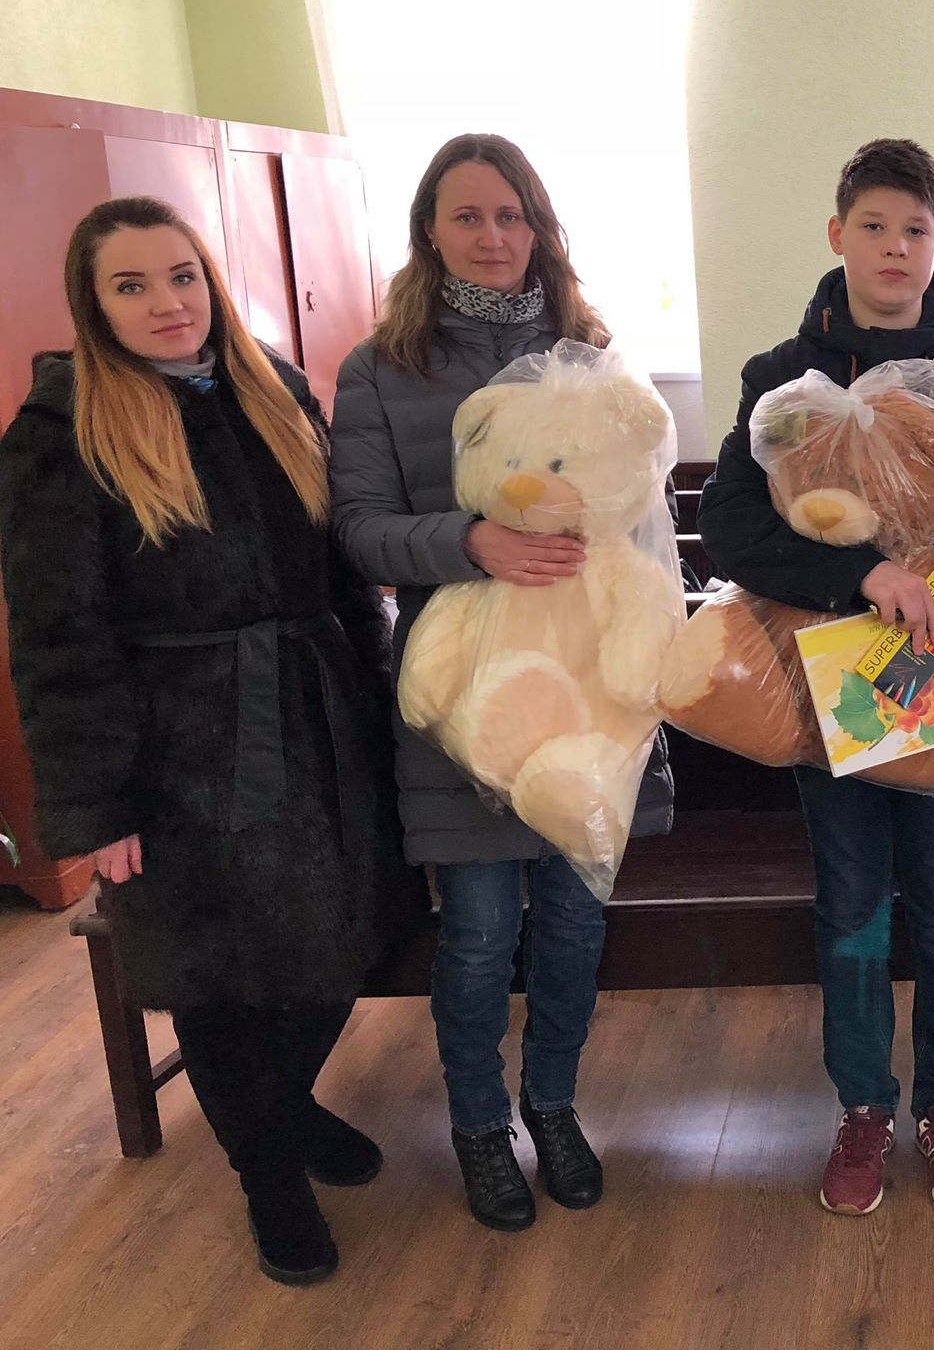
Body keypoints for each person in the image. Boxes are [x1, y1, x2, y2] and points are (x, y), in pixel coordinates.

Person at [0, 197, 418, 1285]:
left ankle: (281, 1111)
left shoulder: (273, 389)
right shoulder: (63, 431)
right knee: (222, 975)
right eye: (130, 285)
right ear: (94, 305)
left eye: (182, 275)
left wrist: (380, 700)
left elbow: (339, 574)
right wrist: (97, 804)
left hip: (318, 715)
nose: (166, 302)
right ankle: (269, 1175)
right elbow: (57, 635)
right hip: (175, 749)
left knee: (342, 945)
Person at [697, 138, 934, 1218]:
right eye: (873, 226)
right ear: (837, 235)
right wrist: (859, 575)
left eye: (915, 230)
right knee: (850, 905)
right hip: (831, 690)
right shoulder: (783, 381)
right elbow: (730, 527)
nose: (895, 248)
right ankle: (862, 1106)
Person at [330, 134, 676, 1232]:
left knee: (574, 925)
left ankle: (554, 1104)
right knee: (479, 932)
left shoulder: (591, 354)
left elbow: (641, 504)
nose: (492, 236)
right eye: (467, 215)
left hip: (590, 698)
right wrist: (468, 540)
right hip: (463, 706)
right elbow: (359, 530)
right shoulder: (381, 368)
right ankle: (480, 1125)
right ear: (429, 231)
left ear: (539, 228)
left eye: (510, 215)